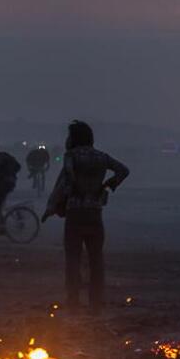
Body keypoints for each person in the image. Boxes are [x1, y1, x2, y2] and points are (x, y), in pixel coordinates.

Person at [43, 120, 129, 314]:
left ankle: (73, 302)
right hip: (95, 214)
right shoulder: (101, 157)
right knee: (96, 260)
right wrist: (108, 185)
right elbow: (124, 170)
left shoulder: (71, 156)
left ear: (74, 138)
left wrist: (51, 207)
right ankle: (96, 304)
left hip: (75, 214)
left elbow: (65, 181)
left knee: (73, 260)